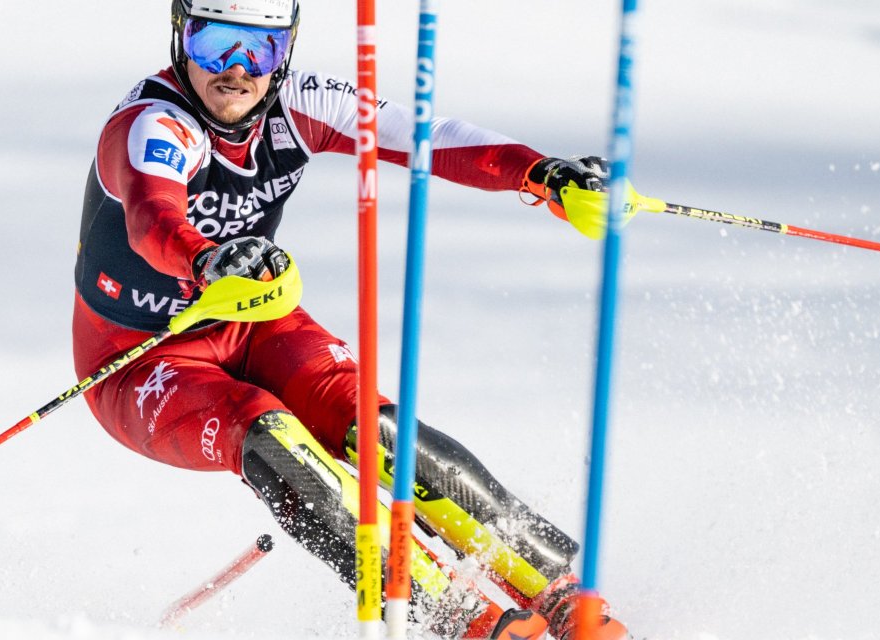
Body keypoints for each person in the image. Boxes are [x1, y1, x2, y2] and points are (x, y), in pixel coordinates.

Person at [72, 1, 630, 638]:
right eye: (215, 43)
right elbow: (152, 218)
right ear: (181, 37)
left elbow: (426, 137)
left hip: (252, 321)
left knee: (369, 424)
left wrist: (537, 172)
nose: (236, 69)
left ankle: (560, 594)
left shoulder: (298, 104)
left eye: (260, 49)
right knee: (266, 433)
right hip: (137, 357)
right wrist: (207, 259)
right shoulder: (154, 124)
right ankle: (465, 619)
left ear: (286, 50)